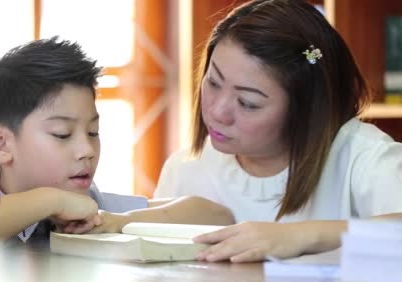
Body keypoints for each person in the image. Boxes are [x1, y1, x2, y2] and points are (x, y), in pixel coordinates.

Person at [154, 0, 402, 262]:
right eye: (213, 82)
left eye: (248, 103)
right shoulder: (186, 168)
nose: (217, 112)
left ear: (306, 108)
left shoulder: (365, 159)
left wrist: (300, 236)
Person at [0, 37, 234, 242]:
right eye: (62, 134)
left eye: (93, 133)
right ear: (1, 145)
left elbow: (215, 216)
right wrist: (51, 201)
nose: (87, 150)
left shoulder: (86, 205)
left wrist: (117, 222)